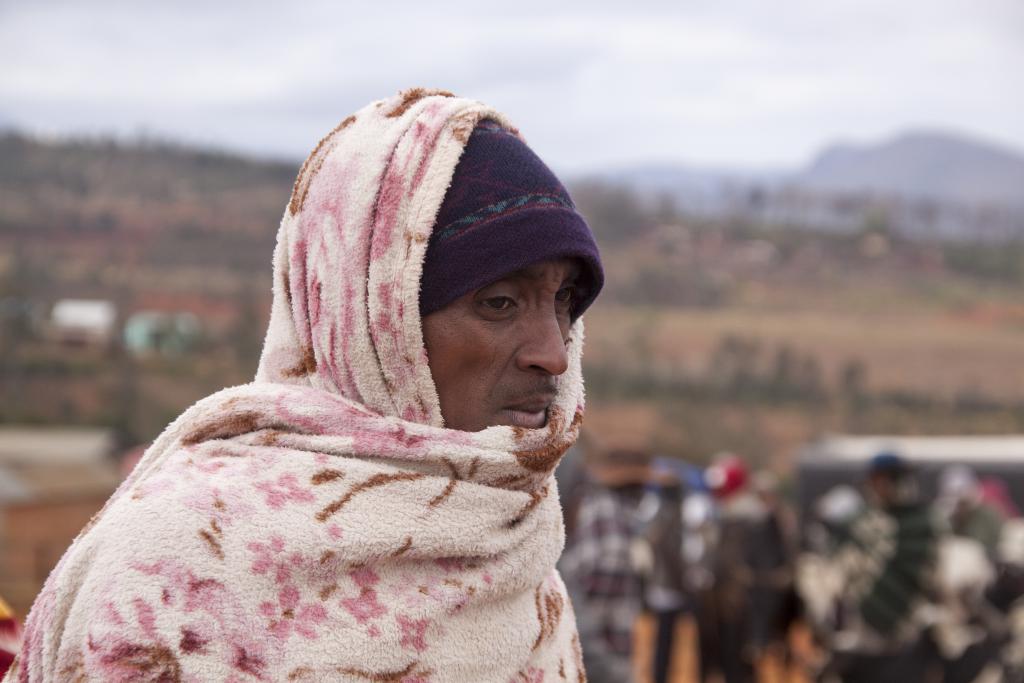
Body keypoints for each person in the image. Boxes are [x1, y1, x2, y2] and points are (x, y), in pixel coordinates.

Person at [9, 89, 604, 681]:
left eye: (563, 302)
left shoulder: (521, 562)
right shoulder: (180, 573)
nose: (553, 353)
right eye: (499, 302)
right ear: (373, 324)